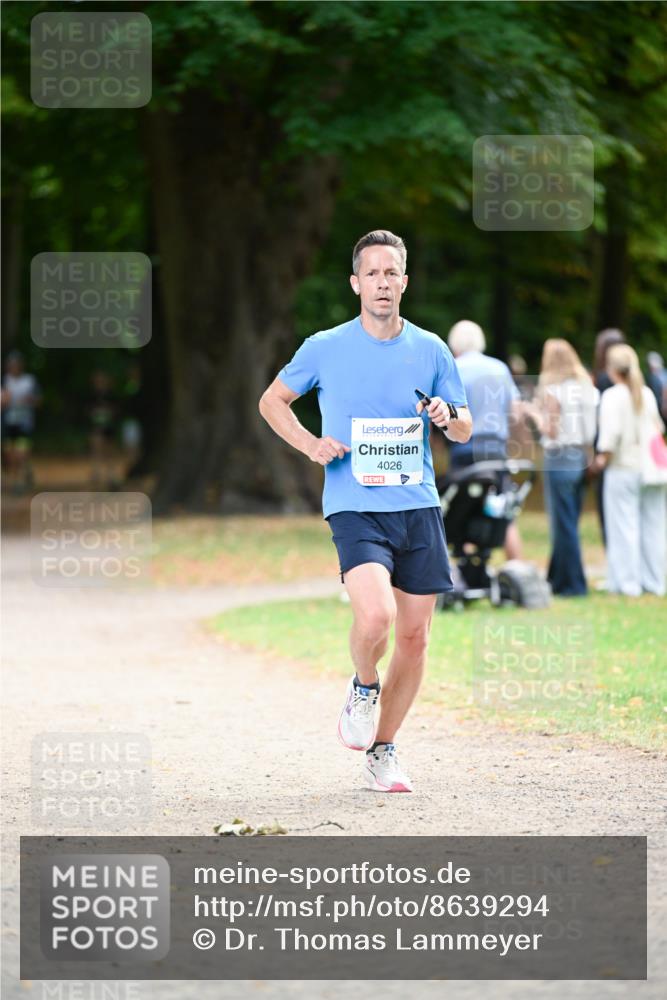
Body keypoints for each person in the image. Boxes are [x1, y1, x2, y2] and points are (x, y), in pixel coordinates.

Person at [259, 229, 471, 793]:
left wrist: (449, 415)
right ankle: (362, 684)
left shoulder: (431, 349)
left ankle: (383, 751)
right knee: (376, 617)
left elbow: (466, 423)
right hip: (355, 504)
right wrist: (310, 445)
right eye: (371, 273)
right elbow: (272, 401)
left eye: (391, 272)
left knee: (416, 636)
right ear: (356, 284)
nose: (382, 282)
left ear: (405, 281)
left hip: (418, 504)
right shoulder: (325, 346)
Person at [527, 339, 599, 596]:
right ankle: (557, 579)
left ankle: (572, 585)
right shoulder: (586, 387)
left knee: (563, 524)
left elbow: (551, 429)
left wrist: (533, 413)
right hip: (581, 457)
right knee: (570, 521)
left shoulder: (554, 390)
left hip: (559, 458)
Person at [447, 319, 523, 559]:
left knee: (464, 508)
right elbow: (517, 412)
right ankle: (517, 565)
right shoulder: (499, 368)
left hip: (465, 448)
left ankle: (466, 569)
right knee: (502, 509)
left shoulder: (453, 368)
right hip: (496, 448)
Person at [593, 344, 666, 597]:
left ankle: (627, 583)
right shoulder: (645, 393)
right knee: (654, 526)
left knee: (624, 526)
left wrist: (600, 460)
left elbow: (610, 437)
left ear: (611, 368)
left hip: (623, 468)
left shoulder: (613, 396)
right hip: (653, 469)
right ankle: (655, 581)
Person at [592, 328, 625, 544]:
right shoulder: (635, 384)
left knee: (610, 515)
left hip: (607, 452)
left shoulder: (604, 381)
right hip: (626, 454)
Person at [1, 350, 42, 494]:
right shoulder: (4, 381)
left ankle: (17, 482)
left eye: (16, 364)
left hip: (24, 423)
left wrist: (29, 400)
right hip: (8, 424)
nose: (14, 367)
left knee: (20, 454)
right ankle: (22, 474)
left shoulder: (29, 380)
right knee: (11, 456)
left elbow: (38, 401)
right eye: (11, 364)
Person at [646, 351, 667, 422]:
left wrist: (664, 404)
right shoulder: (652, 375)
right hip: (656, 404)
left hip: (662, 404)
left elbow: (665, 389)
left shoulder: (662, 374)